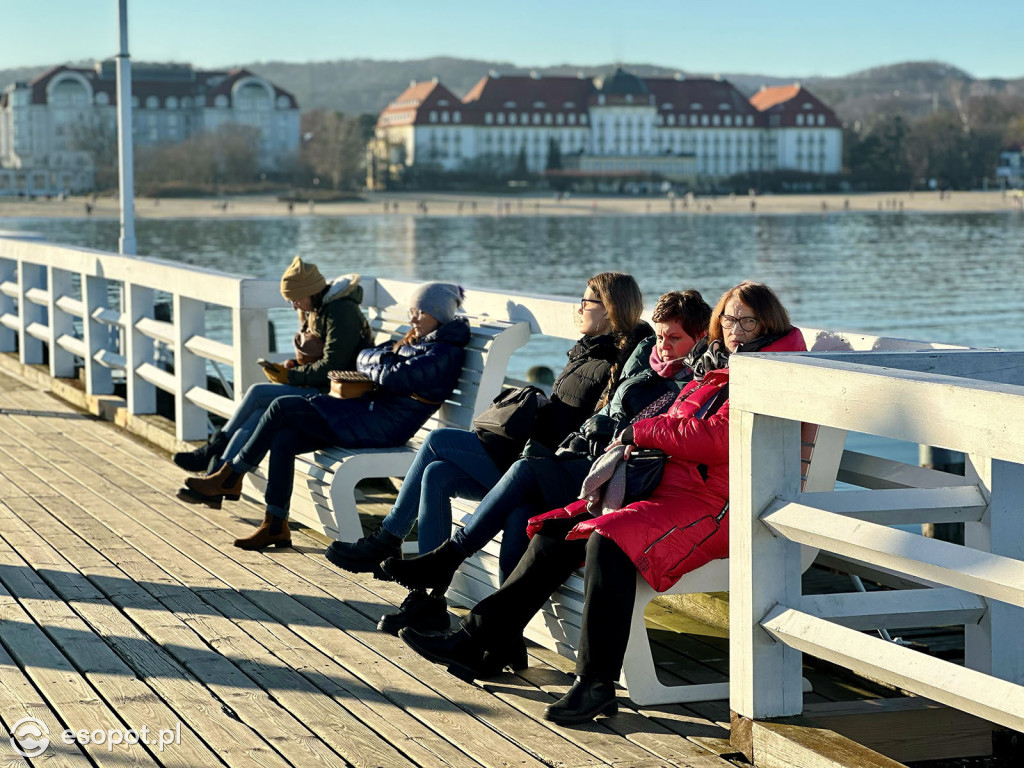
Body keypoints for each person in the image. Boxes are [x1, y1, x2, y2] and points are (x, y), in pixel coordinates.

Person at [398, 281, 807, 726]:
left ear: (767, 323)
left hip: (720, 507)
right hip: (668, 494)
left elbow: (720, 440)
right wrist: (643, 440)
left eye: (747, 320)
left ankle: (595, 684)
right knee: (558, 528)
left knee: (608, 541)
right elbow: (681, 423)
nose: (735, 329)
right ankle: (479, 639)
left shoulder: (770, 372)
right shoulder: (719, 367)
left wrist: (641, 432)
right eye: (728, 318)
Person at [375, 290, 713, 636]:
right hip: (583, 457)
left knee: (511, 466)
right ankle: (495, 632)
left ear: (699, 338)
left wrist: (612, 430)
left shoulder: (691, 377)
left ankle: (443, 558)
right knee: (511, 507)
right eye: (660, 335)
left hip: (620, 474)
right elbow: (608, 410)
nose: (664, 345)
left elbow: (659, 430)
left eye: (675, 338)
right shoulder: (645, 357)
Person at [324, 273, 650, 608]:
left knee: (438, 440)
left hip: (538, 468)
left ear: (609, 310)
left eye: (586, 302)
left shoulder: (614, 360)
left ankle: (387, 539)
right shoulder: (585, 350)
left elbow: (586, 429)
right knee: (436, 474)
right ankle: (425, 601)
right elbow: (565, 411)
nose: (579, 308)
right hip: (526, 454)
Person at [181, 282, 470, 550]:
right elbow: (364, 356)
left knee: (281, 407)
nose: (413, 318)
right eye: (412, 311)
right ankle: (274, 524)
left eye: (421, 312)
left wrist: (384, 361)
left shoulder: (445, 353)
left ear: (439, 315)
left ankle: (231, 475)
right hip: (369, 414)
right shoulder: (417, 341)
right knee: (284, 438)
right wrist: (384, 360)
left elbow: (396, 377)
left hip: (384, 426)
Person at [173, 256, 372, 489]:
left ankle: (213, 455)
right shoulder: (319, 309)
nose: (295, 305)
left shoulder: (341, 310)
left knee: (258, 393)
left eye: (296, 299)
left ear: (311, 291)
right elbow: (320, 360)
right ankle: (218, 474)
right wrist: (291, 367)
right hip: (319, 387)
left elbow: (332, 367)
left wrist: (290, 377)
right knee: (258, 413)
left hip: (338, 396)